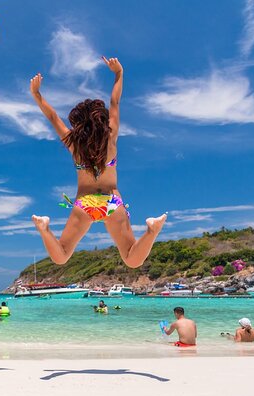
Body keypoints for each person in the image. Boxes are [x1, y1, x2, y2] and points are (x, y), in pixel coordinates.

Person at [28, 57, 166, 268]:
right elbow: (115, 102)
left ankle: (44, 228)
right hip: (111, 202)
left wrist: (37, 94)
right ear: (101, 119)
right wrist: (119, 73)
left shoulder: (73, 143)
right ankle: (152, 230)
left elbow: (53, 117)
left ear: (78, 123)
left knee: (62, 255)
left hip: (85, 204)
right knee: (131, 259)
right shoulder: (110, 139)